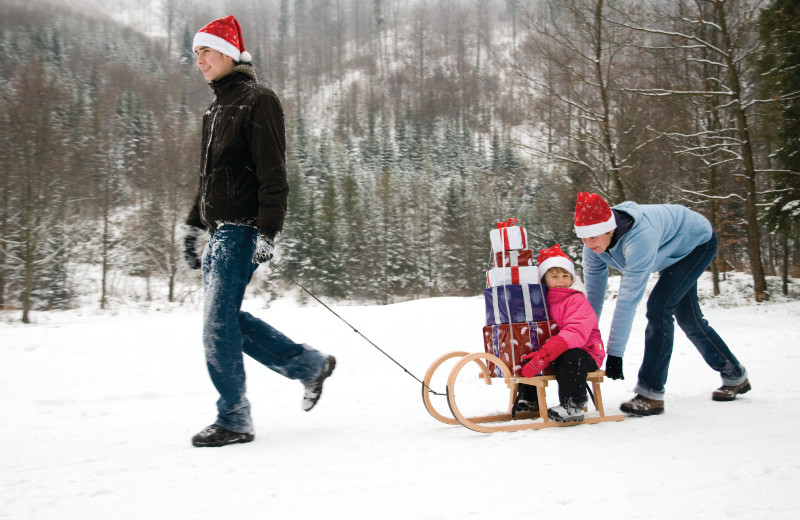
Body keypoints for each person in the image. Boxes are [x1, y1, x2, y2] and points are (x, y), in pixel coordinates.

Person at [182, 15, 335, 447]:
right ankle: (308, 365)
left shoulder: (258, 100)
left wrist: (269, 230)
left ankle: (234, 418)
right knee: (226, 320)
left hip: (242, 229)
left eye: (206, 51)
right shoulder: (215, 109)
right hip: (217, 232)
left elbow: (273, 173)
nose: (199, 61)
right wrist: (193, 226)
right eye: (195, 54)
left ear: (229, 53)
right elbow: (208, 179)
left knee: (216, 325)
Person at [573, 191, 750, 416]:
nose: (588, 245)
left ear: (610, 229)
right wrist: (585, 337)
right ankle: (735, 375)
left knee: (659, 308)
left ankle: (651, 392)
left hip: (696, 244)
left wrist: (615, 353)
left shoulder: (639, 238)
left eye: (593, 238)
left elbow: (627, 299)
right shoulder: (593, 246)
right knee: (690, 320)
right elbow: (594, 298)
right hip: (667, 252)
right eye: (583, 239)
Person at [518, 244, 606, 423]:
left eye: (565, 276)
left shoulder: (576, 299)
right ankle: (529, 399)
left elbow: (576, 331)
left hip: (586, 352)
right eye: (554, 276)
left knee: (571, 357)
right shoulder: (542, 301)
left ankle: (574, 404)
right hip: (554, 351)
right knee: (529, 352)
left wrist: (550, 349)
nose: (561, 280)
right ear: (544, 279)